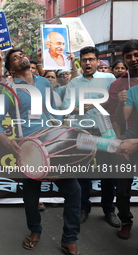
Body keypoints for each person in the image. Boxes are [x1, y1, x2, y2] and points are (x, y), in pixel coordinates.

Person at [0, 48, 80, 255]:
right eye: (15, 57)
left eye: (22, 54)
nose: (20, 57)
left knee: (74, 191)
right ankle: (35, 231)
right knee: (31, 196)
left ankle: (70, 238)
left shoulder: (44, 82)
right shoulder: (9, 89)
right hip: (30, 149)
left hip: (55, 145)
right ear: (11, 69)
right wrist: (7, 141)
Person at [61, 46, 120, 227]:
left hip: (106, 133)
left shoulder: (109, 78)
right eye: (84, 59)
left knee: (108, 174)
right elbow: (65, 108)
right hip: (83, 133)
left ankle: (109, 210)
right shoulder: (74, 83)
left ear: (97, 61)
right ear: (80, 62)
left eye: (91, 59)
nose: (87, 63)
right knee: (82, 175)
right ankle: (83, 209)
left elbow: (115, 101)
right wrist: (86, 107)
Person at [110, 40, 138, 239]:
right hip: (127, 142)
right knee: (122, 189)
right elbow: (118, 119)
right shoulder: (119, 84)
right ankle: (126, 220)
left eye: (137, 55)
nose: (133, 60)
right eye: (129, 56)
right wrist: (120, 143)